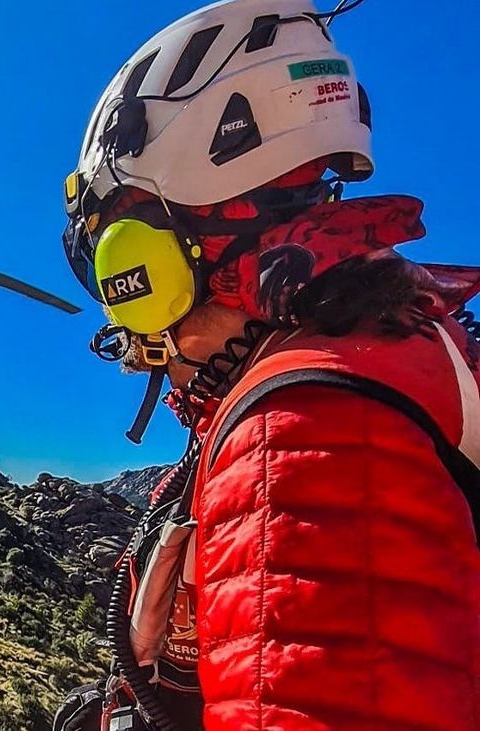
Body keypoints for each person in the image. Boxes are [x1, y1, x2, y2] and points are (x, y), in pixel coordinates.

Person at [54, 2, 480, 730]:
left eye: (102, 261)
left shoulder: (303, 430)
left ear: (145, 256)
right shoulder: (380, 348)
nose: (119, 321)